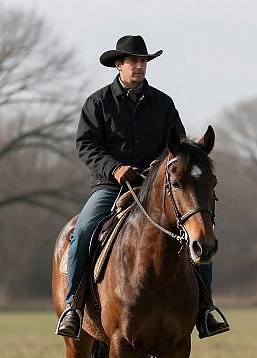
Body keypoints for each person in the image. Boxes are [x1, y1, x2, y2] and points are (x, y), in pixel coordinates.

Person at [57, 35, 229, 340]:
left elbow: (177, 149)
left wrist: (157, 168)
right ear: (118, 65)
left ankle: (204, 308)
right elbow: (85, 145)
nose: (139, 66)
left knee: (197, 232)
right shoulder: (98, 103)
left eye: (143, 61)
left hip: (158, 188)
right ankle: (74, 306)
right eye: (133, 61)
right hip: (110, 186)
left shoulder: (163, 103)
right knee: (83, 231)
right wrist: (115, 168)